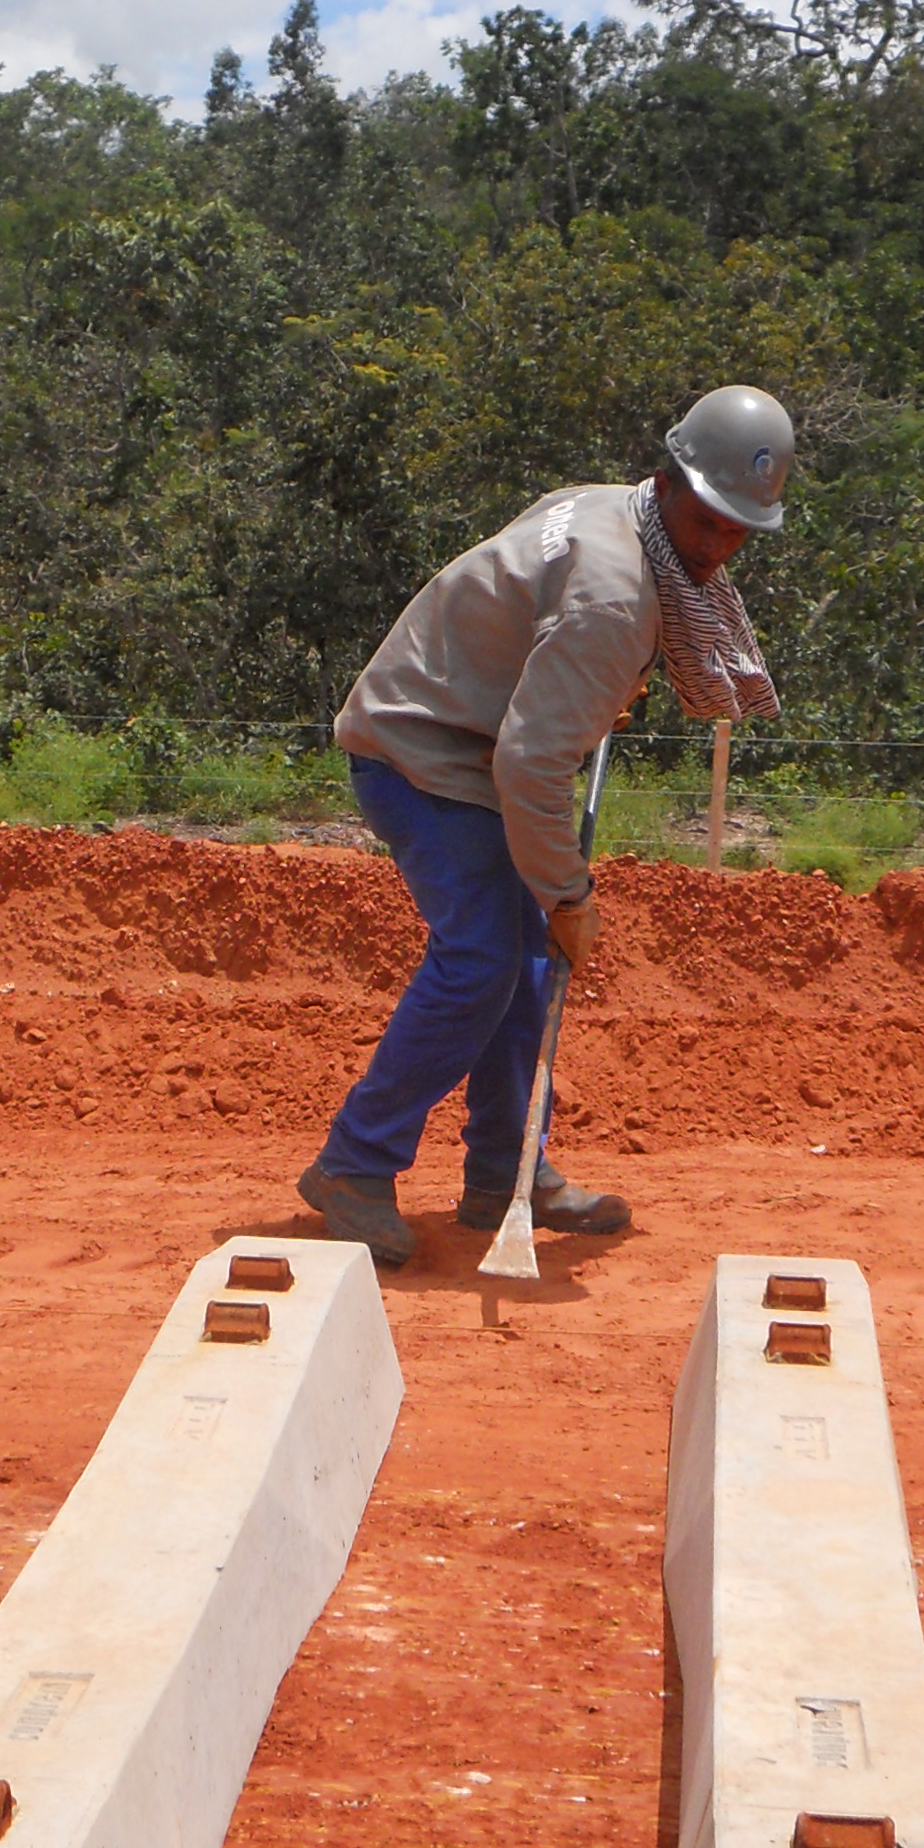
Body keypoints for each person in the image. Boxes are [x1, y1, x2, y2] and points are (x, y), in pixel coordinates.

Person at [298, 385, 792, 1267]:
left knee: (521, 965)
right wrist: (569, 893)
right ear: (666, 480)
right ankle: (354, 1165)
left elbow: (538, 667)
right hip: (420, 748)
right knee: (485, 957)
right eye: (709, 521)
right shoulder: (614, 602)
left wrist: (579, 687)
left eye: (737, 529)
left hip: (463, 730)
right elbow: (530, 767)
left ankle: (504, 1173)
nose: (720, 546)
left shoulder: (608, 507)